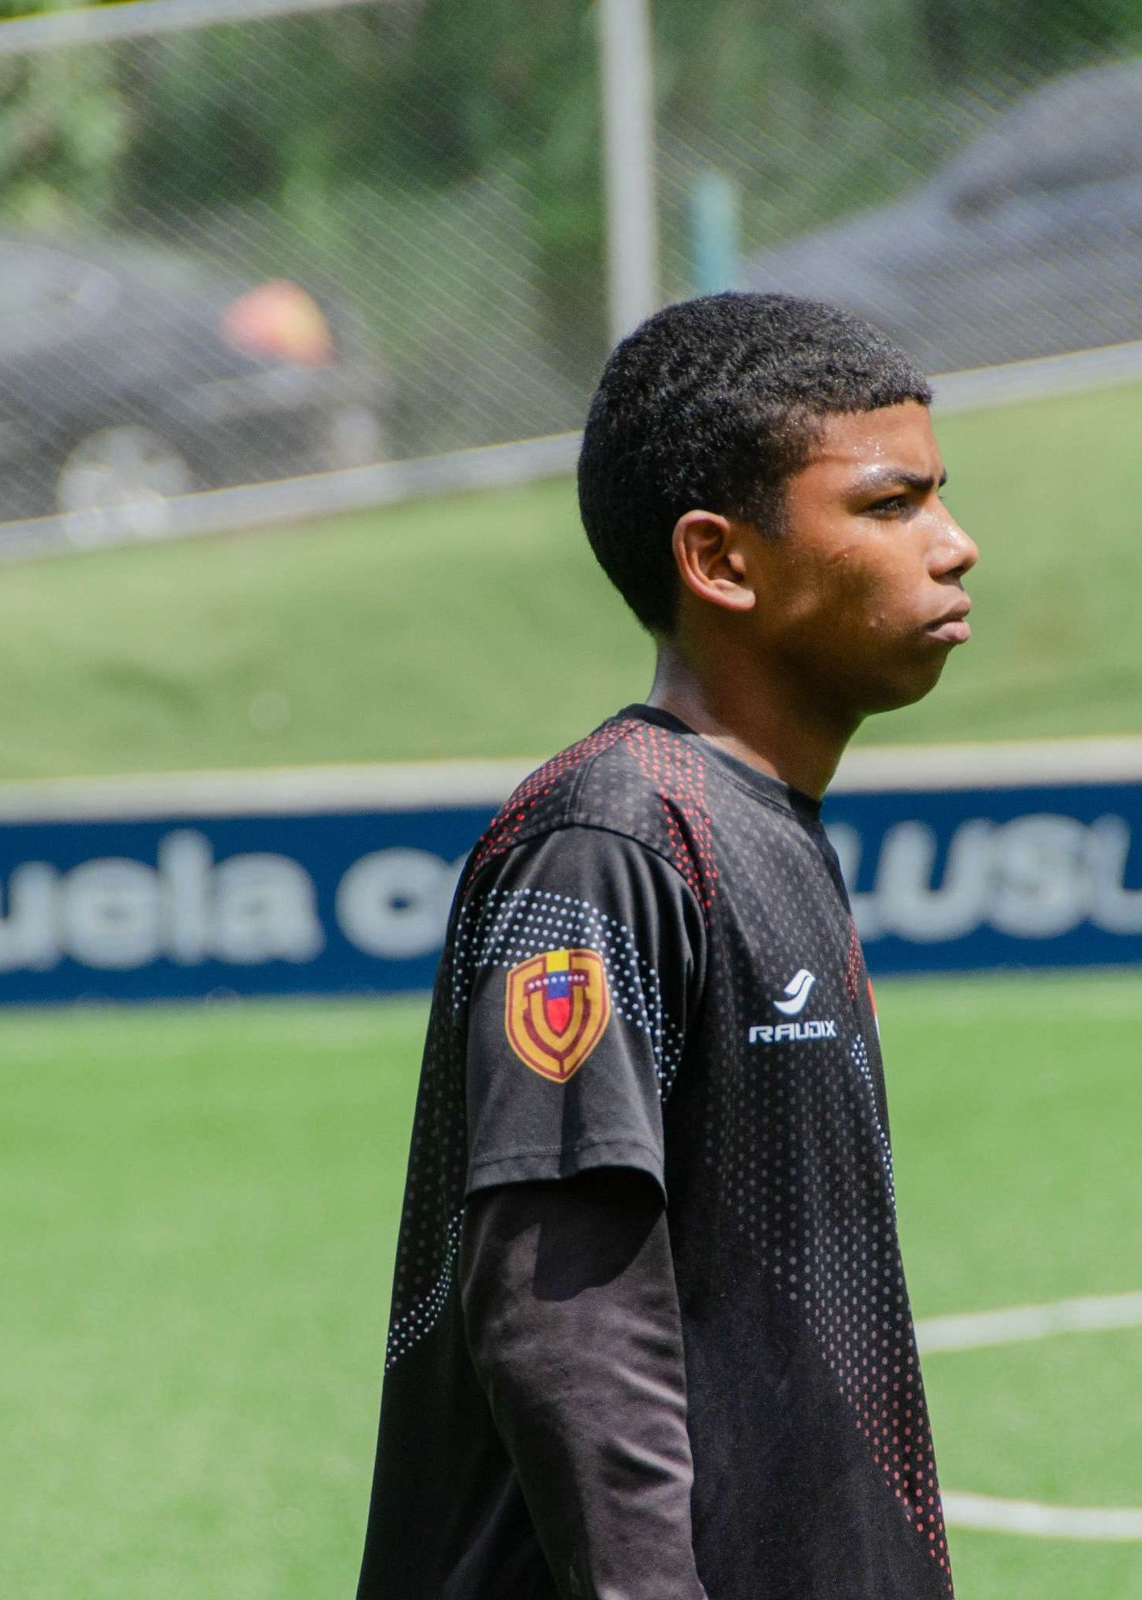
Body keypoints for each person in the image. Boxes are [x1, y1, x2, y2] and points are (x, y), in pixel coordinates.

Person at [355, 292, 978, 1600]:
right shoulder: (615, 843)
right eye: (890, 504)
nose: (955, 544)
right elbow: (561, 1314)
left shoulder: (754, 825)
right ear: (722, 561)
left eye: (939, 497)